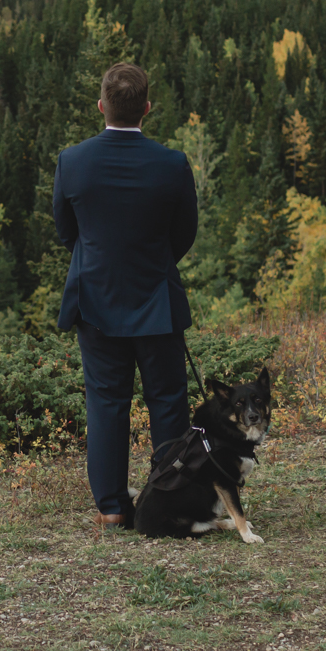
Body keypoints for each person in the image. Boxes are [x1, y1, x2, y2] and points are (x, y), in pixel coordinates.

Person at [51, 63, 199, 527]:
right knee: (168, 399)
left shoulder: (72, 162)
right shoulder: (173, 164)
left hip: (95, 300)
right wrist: (151, 263)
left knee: (106, 402)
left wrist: (102, 261)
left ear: (101, 107)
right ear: (147, 109)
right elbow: (185, 235)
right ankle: (171, 495)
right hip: (156, 299)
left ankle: (112, 507)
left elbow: (65, 232)